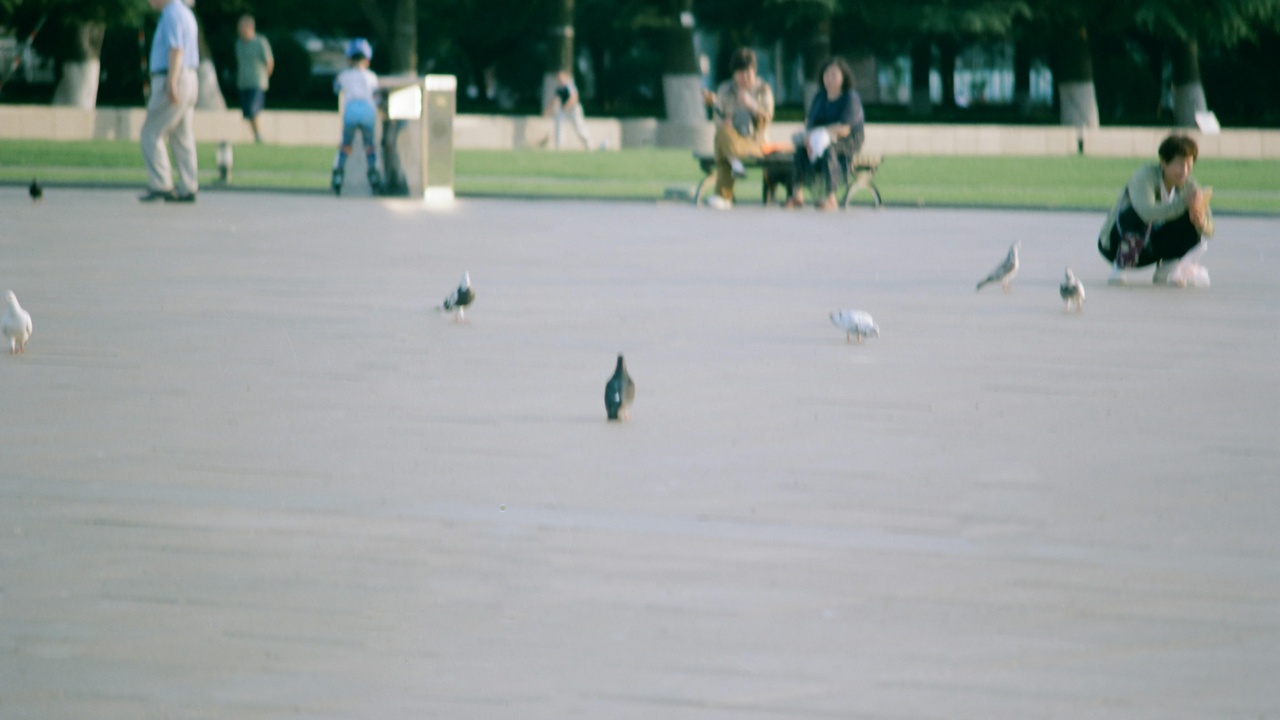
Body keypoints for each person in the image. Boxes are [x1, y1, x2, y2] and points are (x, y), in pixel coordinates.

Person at [1098, 134, 1214, 285]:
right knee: (1138, 213)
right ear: (1163, 162)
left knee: (1192, 223)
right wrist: (1183, 203)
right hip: (1115, 246)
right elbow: (1147, 213)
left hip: (1150, 251)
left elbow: (1210, 229)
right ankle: (1120, 268)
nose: (1184, 171)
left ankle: (1165, 271)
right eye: (1179, 165)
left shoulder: (1190, 186)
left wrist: (1200, 222)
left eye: (1189, 165)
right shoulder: (1144, 176)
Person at [138, 0, 200, 203]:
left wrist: (171, 81)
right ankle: (188, 186)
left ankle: (161, 183)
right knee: (182, 135)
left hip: (173, 76)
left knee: (151, 132)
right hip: (190, 76)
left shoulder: (171, 14)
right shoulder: (186, 13)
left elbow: (176, 49)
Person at [786, 57, 865, 211]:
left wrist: (821, 133)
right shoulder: (820, 97)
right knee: (800, 152)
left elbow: (844, 129)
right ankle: (797, 194)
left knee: (830, 151)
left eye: (834, 75)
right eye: (827, 74)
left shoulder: (850, 98)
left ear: (843, 77)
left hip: (848, 140)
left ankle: (830, 198)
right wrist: (808, 139)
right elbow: (810, 123)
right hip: (820, 138)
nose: (829, 78)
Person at [703, 48, 775, 209]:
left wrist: (753, 106)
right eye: (740, 73)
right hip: (732, 139)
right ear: (734, 74)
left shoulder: (763, 90)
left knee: (722, 147)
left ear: (754, 71)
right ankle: (735, 165)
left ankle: (723, 195)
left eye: (748, 73)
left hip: (755, 142)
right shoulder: (725, 90)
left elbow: (768, 118)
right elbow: (717, 118)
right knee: (723, 135)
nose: (744, 78)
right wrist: (725, 122)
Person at [331, 38, 381, 196]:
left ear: (350, 59)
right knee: (369, 145)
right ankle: (373, 173)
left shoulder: (345, 75)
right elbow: (377, 96)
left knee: (346, 144)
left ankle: (338, 173)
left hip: (351, 111)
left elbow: (336, 88)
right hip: (367, 111)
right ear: (367, 60)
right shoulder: (372, 77)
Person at [234, 14, 273, 144]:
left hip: (257, 82)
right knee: (248, 113)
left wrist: (265, 77)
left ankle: (258, 135)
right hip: (244, 82)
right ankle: (256, 135)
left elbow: (269, 61)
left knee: (253, 108)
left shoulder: (260, 42)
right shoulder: (238, 44)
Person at [545, 69, 592, 150]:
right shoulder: (559, 88)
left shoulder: (569, 85)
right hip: (564, 110)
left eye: (560, 77)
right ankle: (558, 146)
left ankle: (589, 145)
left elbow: (574, 98)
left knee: (579, 127)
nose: (559, 79)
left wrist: (566, 106)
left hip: (574, 110)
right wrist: (548, 111)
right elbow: (555, 100)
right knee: (559, 124)